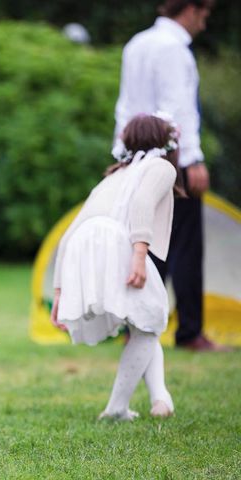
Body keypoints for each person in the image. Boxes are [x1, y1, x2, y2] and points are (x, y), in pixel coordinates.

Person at [51, 113, 182, 420]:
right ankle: (116, 409)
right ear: (164, 140)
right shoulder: (161, 166)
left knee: (145, 320)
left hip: (84, 244)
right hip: (115, 242)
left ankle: (160, 398)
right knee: (151, 318)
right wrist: (139, 255)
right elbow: (142, 205)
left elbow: (70, 232)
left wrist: (59, 290)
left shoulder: (114, 175)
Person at [114, 0, 228, 352]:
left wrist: (122, 155)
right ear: (191, 9)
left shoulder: (137, 43)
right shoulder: (174, 49)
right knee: (185, 245)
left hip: (134, 155)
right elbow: (178, 109)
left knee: (145, 240)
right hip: (171, 159)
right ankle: (190, 331)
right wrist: (192, 160)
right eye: (205, 15)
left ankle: (136, 326)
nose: (204, 24)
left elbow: (125, 106)